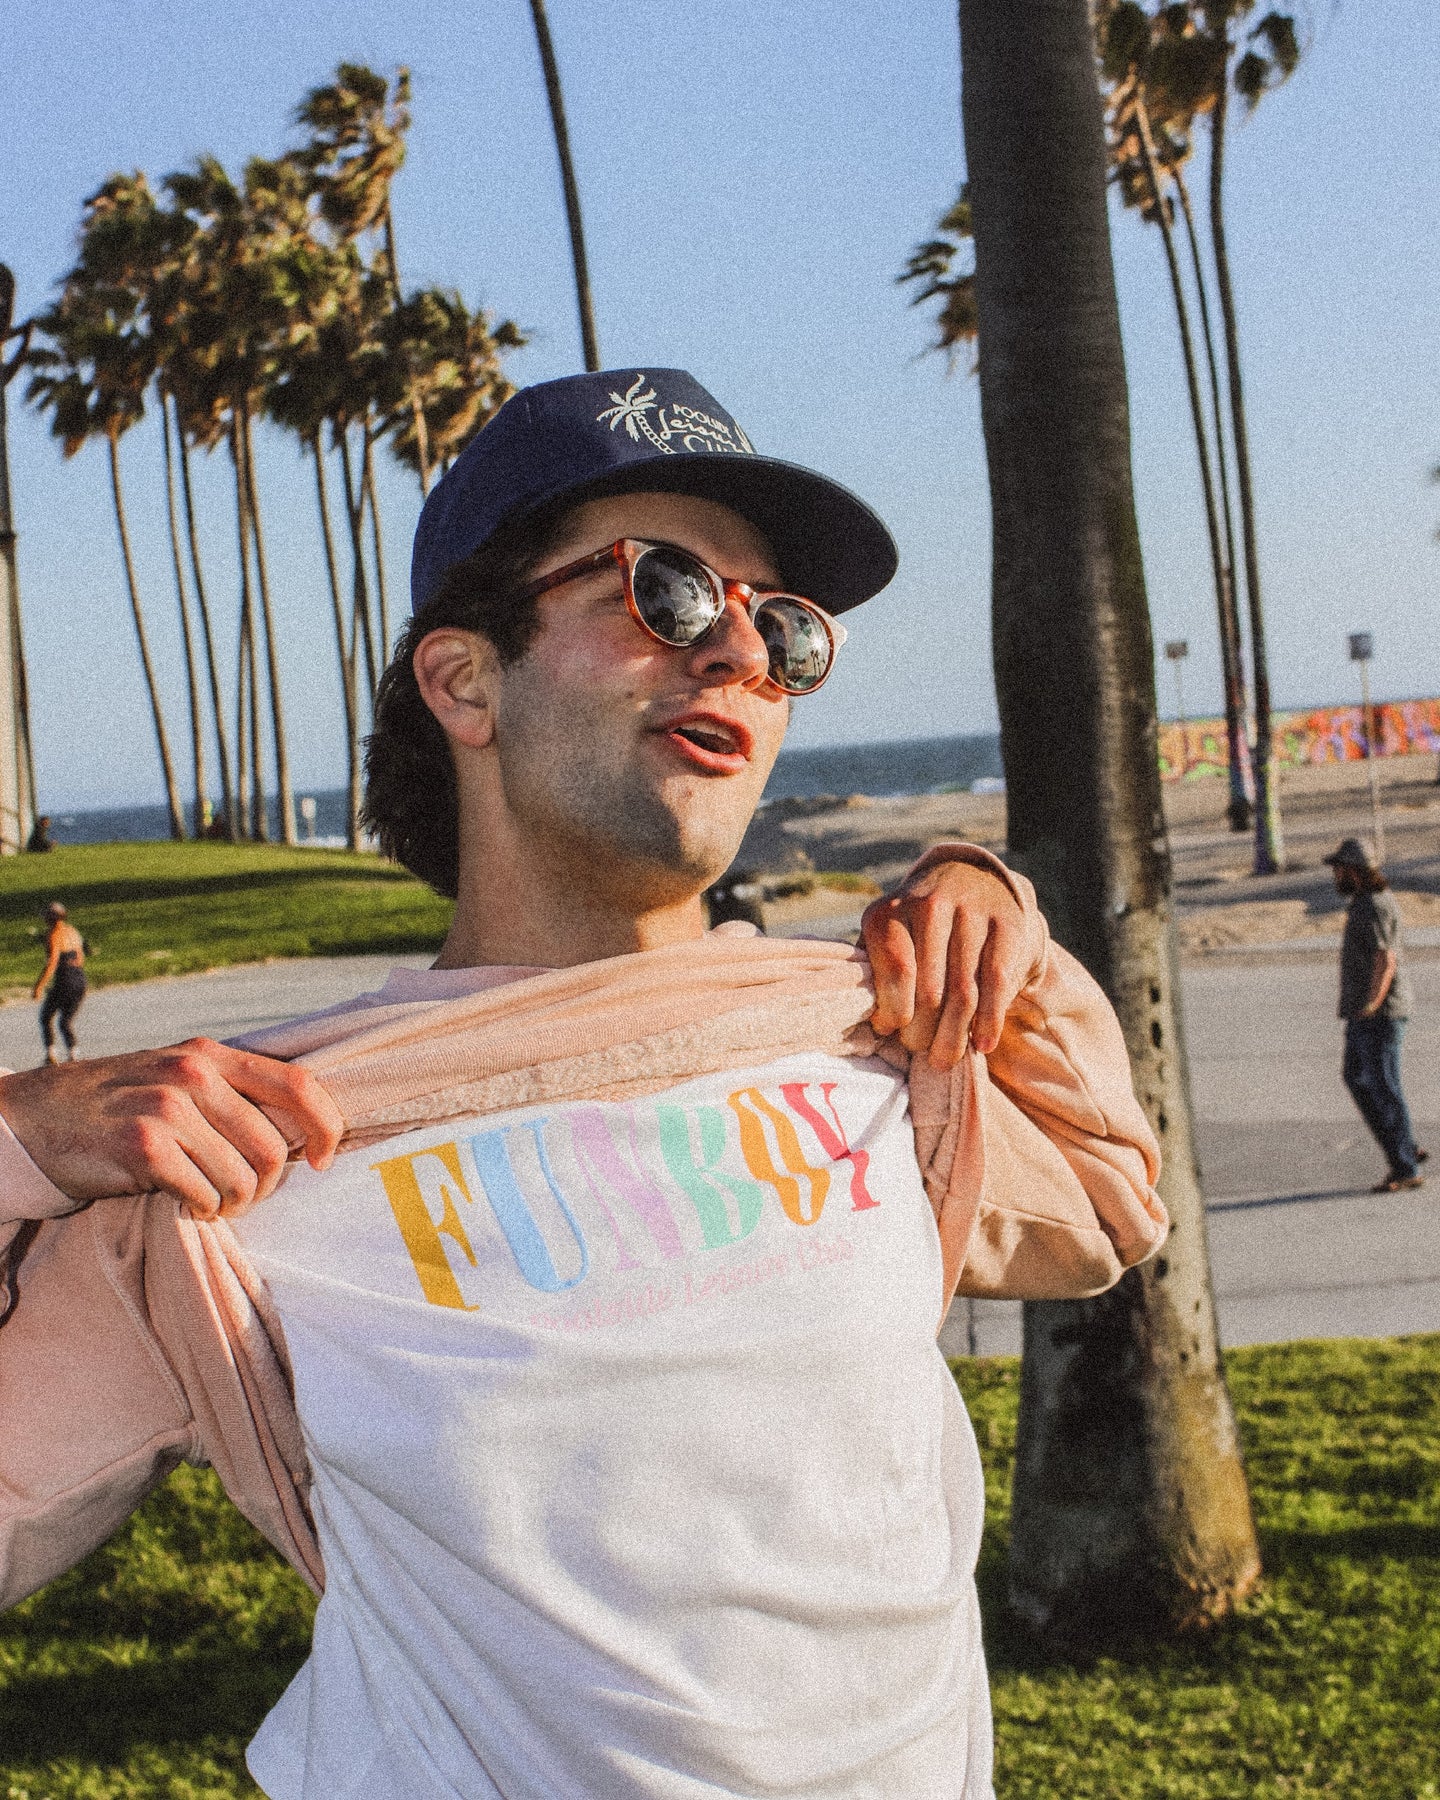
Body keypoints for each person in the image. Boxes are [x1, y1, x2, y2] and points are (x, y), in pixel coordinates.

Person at [0, 369, 1165, 1798]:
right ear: (463, 680)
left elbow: (1107, 1202)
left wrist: (1006, 924)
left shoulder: (861, 1036)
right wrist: (20, 1137)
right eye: (666, 591)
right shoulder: (247, 1162)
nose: (740, 653)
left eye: (782, 627)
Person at [1325, 835, 1425, 1193]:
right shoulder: (1364, 902)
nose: (1335, 876)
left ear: (1354, 870)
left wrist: (1371, 1002)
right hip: (1363, 1013)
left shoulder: (1376, 906)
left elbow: (1386, 959)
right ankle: (1405, 1145)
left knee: (1382, 1085)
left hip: (1379, 1013)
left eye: (1338, 869)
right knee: (1358, 1078)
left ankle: (1405, 1166)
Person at [31, 900, 86, 1065]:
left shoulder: (53, 935)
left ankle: (50, 1053)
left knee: (46, 1016)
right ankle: (73, 1054)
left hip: (64, 980)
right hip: (79, 979)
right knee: (65, 1020)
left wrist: (39, 986)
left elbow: (52, 962)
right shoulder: (73, 931)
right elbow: (80, 957)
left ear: (50, 918)